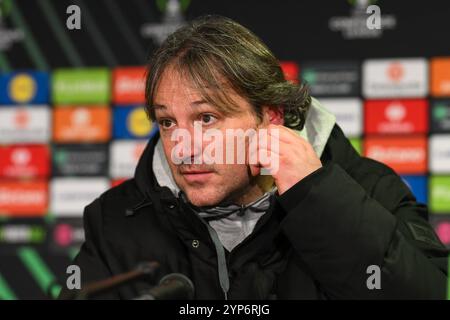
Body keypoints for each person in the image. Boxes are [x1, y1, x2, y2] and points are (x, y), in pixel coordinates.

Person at [61, 15, 448, 299]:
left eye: (206, 118)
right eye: (166, 122)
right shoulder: (116, 218)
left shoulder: (367, 188)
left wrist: (318, 198)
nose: (182, 147)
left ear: (271, 116)